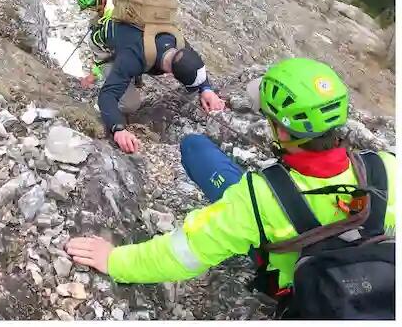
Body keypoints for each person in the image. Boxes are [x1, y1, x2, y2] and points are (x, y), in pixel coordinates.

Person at [67, 58, 395, 318]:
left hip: (296, 280)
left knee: (195, 148)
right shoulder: (386, 168)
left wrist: (114, 260)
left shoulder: (257, 199)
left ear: (282, 132)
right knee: (198, 149)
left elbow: (182, 253)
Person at [79, 16, 226, 154]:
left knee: (130, 71)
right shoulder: (132, 57)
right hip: (105, 46)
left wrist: (206, 89)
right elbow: (107, 95)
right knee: (130, 104)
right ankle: (111, 93)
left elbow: (194, 63)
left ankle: (127, 77)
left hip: (132, 40)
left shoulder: (179, 43)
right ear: (171, 74)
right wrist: (118, 129)